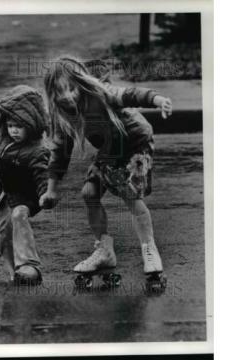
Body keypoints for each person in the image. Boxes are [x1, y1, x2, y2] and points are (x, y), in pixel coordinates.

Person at [39, 56, 173, 288]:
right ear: (52, 94)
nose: (68, 96)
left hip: (134, 142)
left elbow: (131, 94)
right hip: (110, 150)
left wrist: (158, 99)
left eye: (71, 89)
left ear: (80, 83)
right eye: (61, 92)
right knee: (89, 193)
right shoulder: (61, 115)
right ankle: (104, 250)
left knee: (130, 195)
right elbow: (60, 152)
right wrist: (51, 189)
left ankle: (150, 250)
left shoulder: (101, 93)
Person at [0, 84, 50, 285]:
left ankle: (30, 266)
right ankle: (13, 273)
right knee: (3, 232)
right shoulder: (4, 131)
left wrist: (45, 194)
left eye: (19, 126)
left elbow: (43, 175)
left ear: (31, 124)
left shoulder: (37, 150)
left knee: (19, 215)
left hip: (28, 195)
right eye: (11, 125)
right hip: (4, 193)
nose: (13, 130)